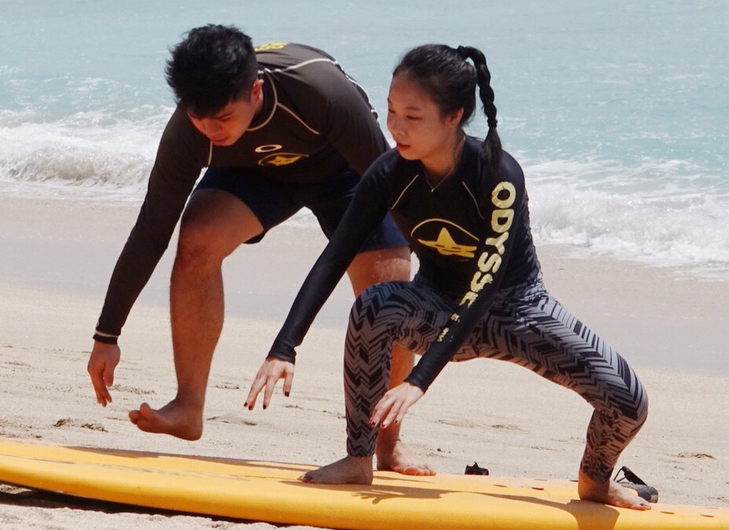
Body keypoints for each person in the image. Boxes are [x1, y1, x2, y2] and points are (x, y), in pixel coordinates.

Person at [246, 45, 650, 505]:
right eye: (392, 111)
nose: (395, 127)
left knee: (628, 401)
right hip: (436, 307)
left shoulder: (499, 175)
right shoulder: (390, 172)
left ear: (454, 115)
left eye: (412, 117)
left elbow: (485, 286)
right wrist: (285, 345)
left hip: (518, 312)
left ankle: (595, 479)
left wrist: (419, 379)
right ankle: (359, 459)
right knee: (375, 305)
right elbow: (336, 255)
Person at [88, 27, 421, 468]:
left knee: (391, 280)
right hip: (254, 170)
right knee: (197, 238)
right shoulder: (196, 129)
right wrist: (107, 334)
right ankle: (188, 407)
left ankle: (387, 440)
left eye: (223, 118)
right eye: (199, 119)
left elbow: (396, 194)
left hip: (340, 167)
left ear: (255, 90)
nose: (210, 130)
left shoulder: (323, 94)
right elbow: (152, 230)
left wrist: (445, 274)